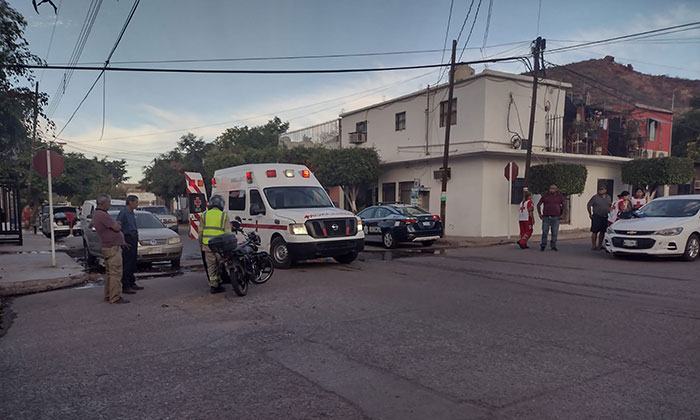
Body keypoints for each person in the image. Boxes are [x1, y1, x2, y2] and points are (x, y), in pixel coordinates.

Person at [93, 194, 129, 304]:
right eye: (109, 203)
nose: (110, 205)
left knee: (110, 273)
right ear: (104, 203)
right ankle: (115, 297)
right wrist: (117, 224)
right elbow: (116, 228)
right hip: (112, 247)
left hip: (108, 246)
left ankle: (109, 294)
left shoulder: (98, 214)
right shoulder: (102, 215)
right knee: (116, 273)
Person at [200, 195, 230, 294]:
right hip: (220, 246)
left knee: (211, 266)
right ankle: (222, 279)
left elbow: (200, 232)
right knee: (221, 263)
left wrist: (200, 244)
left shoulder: (204, 215)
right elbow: (228, 233)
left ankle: (214, 286)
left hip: (207, 245)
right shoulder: (224, 215)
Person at [117, 195, 143, 295]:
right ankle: (126, 285)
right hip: (127, 237)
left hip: (133, 237)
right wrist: (122, 240)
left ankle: (132, 282)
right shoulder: (123, 213)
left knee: (132, 262)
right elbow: (118, 226)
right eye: (136, 202)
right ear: (131, 202)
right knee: (127, 263)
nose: (137, 204)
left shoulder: (132, 213)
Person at [537, 184, 566, 251]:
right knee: (544, 232)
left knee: (554, 232)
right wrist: (540, 214)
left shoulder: (559, 197)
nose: (551, 190)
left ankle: (553, 245)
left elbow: (564, 205)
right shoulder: (545, 196)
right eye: (550, 188)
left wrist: (562, 214)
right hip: (546, 217)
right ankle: (543, 245)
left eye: (553, 188)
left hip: (556, 217)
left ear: (556, 189)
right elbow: (538, 204)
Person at [587, 185, 612, 250]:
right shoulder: (595, 197)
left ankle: (600, 245)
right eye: (600, 190)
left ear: (605, 190)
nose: (600, 191)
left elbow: (610, 205)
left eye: (602, 189)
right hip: (597, 216)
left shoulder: (608, 197)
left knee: (603, 231)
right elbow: (589, 205)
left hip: (605, 216)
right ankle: (593, 245)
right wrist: (590, 214)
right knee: (594, 231)